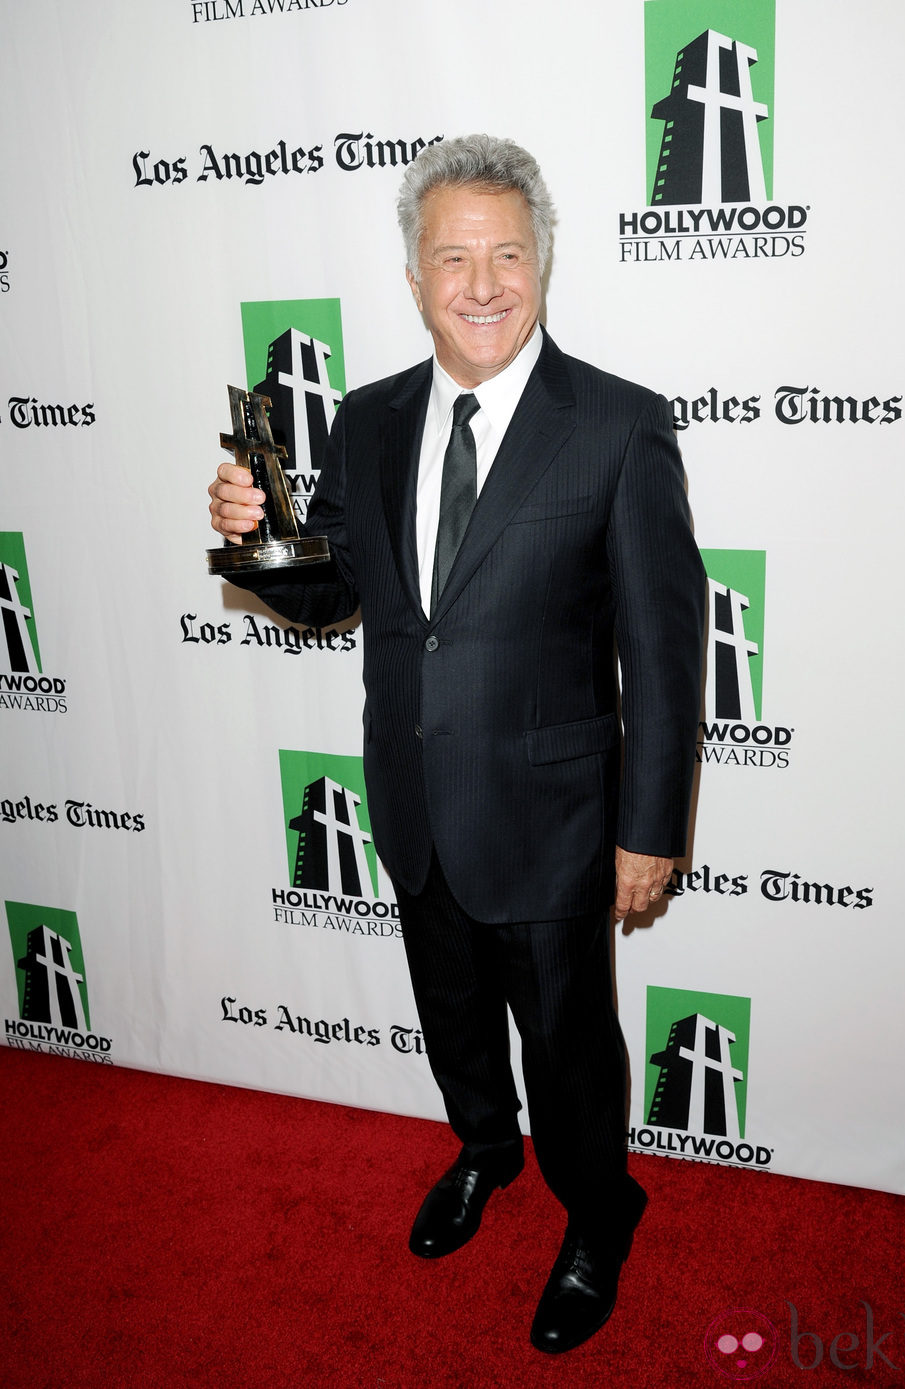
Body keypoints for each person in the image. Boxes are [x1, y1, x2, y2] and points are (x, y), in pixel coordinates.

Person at [208, 134, 705, 1354]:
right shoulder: (369, 421)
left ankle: (599, 1211)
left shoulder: (618, 427)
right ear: (415, 274)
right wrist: (257, 539)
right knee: (451, 1018)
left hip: (555, 823)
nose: (481, 285)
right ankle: (486, 1151)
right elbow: (328, 597)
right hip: (416, 800)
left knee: (571, 1051)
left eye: (505, 256)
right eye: (452, 259)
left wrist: (651, 829)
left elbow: (667, 644)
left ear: (541, 262)